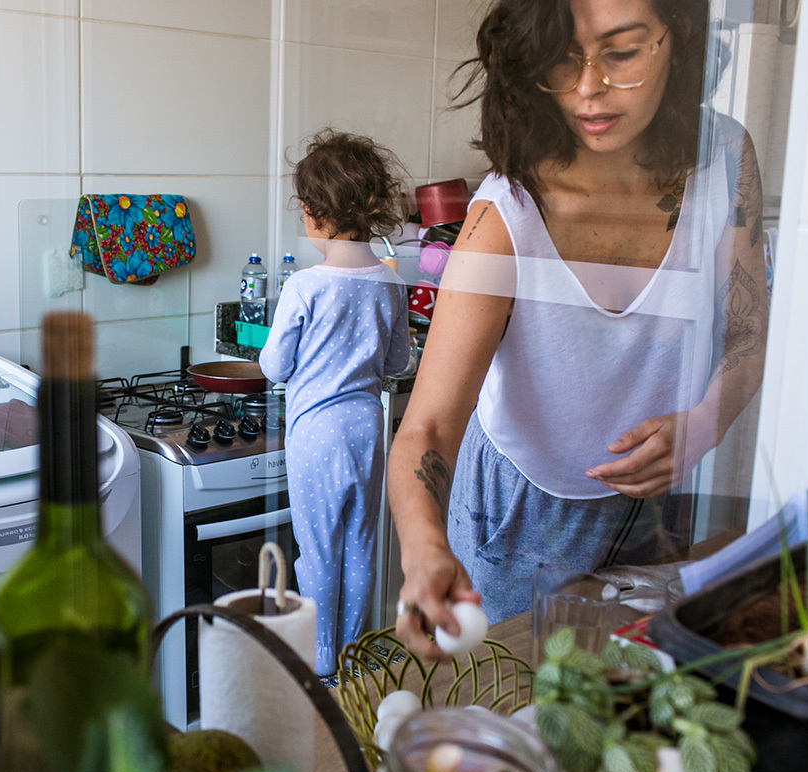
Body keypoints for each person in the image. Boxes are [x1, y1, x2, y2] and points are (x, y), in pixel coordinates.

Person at [388, 0, 768, 658]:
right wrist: (424, 550)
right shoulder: (506, 213)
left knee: (635, 696)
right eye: (563, 60)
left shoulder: (726, 160)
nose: (590, 87)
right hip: (519, 514)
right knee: (515, 694)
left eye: (622, 53)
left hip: (662, 503)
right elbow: (426, 427)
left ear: (677, 39)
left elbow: (749, 333)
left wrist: (707, 421)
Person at [259, 129, 412, 676]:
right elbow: (399, 363)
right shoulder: (390, 284)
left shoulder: (305, 285)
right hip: (368, 428)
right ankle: (350, 651)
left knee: (318, 547)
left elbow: (274, 366)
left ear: (315, 213)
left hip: (315, 434)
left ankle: (321, 658)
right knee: (360, 543)